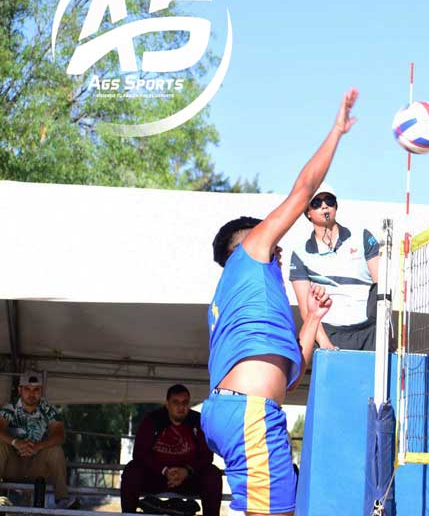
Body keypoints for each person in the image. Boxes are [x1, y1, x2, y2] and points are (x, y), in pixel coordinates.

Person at [201, 88, 357, 516]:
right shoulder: (250, 256)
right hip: (249, 411)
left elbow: (289, 374)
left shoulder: (248, 300)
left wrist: (311, 323)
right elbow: (303, 189)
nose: (279, 242)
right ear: (247, 242)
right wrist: (337, 132)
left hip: (239, 408)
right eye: (269, 234)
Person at [289, 182, 381, 351]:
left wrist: (385, 332)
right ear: (308, 212)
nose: (324, 206)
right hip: (332, 334)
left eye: (329, 201)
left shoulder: (362, 237)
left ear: (336, 206)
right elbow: (305, 309)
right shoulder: (300, 254)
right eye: (316, 203)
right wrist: (324, 342)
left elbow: (381, 288)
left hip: (370, 332)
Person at [120, 384, 222, 516]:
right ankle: (128, 514)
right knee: (131, 470)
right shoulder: (152, 420)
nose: (181, 407)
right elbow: (139, 454)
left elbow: (207, 456)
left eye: (185, 403)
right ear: (167, 404)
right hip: (157, 476)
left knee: (212, 474)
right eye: (176, 402)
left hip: (188, 478)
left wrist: (187, 470)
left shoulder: (198, 421)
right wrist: (164, 470)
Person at [0, 371, 77, 509]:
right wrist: (16, 443)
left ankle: (62, 498)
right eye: (27, 389)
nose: (32, 393)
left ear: (41, 391)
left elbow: (59, 435)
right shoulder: (9, 408)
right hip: (12, 465)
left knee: (55, 448)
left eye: (36, 389)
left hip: (37, 467)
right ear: (20, 390)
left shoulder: (48, 410)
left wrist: (38, 446)